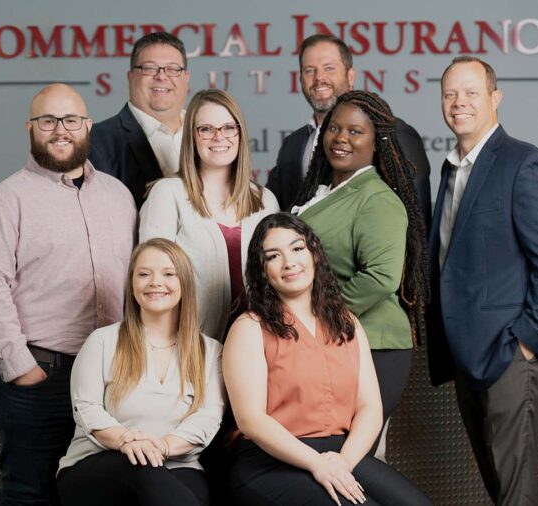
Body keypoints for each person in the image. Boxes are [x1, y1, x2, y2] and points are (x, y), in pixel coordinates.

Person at [0, 83, 136, 505]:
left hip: (110, 378)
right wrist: (21, 368)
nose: (61, 130)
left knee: (97, 493)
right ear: (30, 127)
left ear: (87, 126)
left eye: (71, 120)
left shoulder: (118, 196)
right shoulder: (5, 201)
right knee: (30, 493)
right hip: (40, 377)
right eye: (48, 120)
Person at [427, 56, 538, 505]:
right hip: (468, 355)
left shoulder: (524, 163)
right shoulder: (452, 168)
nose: (459, 103)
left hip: (511, 357)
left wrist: (526, 341)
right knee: (499, 488)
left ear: (495, 98)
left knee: (516, 491)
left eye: (471, 93)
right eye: (450, 94)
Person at [224, 213, 432, 506]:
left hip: (340, 453)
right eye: (274, 255)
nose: (289, 262)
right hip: (271, 461)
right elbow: (251, 421)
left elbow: (370, 407)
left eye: (297, 249)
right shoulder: (249, 328)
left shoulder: (347, 323)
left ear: (315, 255)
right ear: (262, 270)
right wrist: (317, 464)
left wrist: (342, 463)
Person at [292, 90, 431, 429]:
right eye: (334, 128)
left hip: (373, 345)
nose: (341, 139)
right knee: (338, 459)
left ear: (377, 140)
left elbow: (381, 277)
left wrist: (317, 317)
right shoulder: (326, 192)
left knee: (351, 456)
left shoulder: (377, 198)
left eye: (355, 132)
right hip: (339, 342)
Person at [57, 238, 225, 506]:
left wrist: (164, 446)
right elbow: (86, 408)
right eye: (144, 274)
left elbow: (208, 417)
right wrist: (126, 440)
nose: (155, 282)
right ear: (132, 285)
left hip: (179, 464)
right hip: (99, 464)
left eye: (168, 274)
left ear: (185, 283)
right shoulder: (102, 341)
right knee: (143, 471)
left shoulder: (210, 351)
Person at [139, 89, 279, 342]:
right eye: (206, 129)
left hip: (257, 347)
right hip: (188, 347)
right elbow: (151, 282)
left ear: (240, 134)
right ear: (192, 137)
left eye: (228, 127)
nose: (219, 137)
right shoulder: (167, 194)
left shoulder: (265, 200)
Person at [267, 33, 431, 222]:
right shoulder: (292, 144)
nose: (319, 78)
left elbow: (417, 217)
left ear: (350, 76)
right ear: (301, 80)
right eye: (309, 70)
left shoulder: (392, 133)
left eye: (329, 68)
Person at [90, 32, 191, 208]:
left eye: (173, 69)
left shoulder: (209, 133)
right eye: (149, 68)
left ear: (186, 79)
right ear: (130, 77)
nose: (161, 76)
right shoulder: (95, 141)